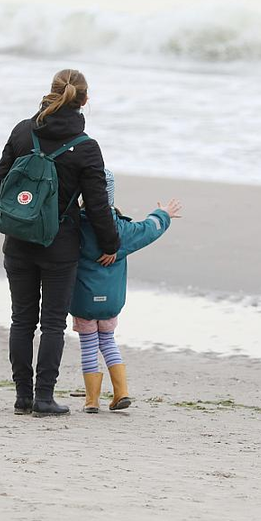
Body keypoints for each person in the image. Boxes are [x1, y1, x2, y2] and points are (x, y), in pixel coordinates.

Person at [0, 69, 120, 417]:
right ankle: (44, 398)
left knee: (21, 320)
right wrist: (110, 244)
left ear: (51, 92)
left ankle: (22, 397)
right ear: (84, 100)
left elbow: (1, 182)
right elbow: (97, 206)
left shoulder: (22, 130)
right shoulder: (86, 148)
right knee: (52, 323)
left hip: (18, 240)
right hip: (60, 246)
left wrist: (30, 205)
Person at [70, 169, 182, 413]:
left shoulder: (75, 227)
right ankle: (121, 393)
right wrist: (163, 214)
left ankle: (91, 401)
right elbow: (148, 229)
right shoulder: (122, 230)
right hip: (111, 302)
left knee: (89, 346)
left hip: (82, 302)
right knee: (108, 342)